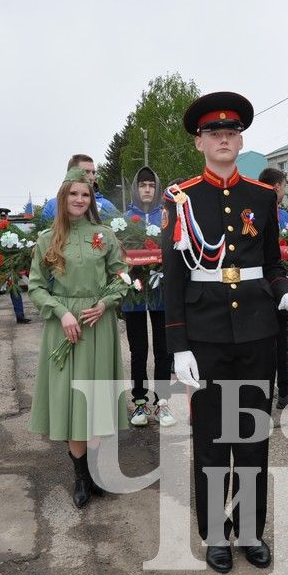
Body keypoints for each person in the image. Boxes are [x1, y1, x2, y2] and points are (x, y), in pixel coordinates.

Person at [162, 91, 288, 573]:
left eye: (231, 132)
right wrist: (177, 344)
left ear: (240, 140)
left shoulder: (261, 197)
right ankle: (216, 533)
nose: (224, 138)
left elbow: (273, 261)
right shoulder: (182, 197)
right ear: (200, 142)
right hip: (205, 338)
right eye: (214, 133)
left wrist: (283, 290)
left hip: (258, 333)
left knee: (254, 437)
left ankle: (249, 530)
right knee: (214, 442)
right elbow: (174, 276)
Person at [28, 167, 129, 508]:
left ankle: (97, 473)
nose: (79, 200)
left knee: (96, 403)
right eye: (73, 194)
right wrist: (61, 311)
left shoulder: (105, 236)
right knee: (74, 405)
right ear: (63, 198)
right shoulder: (47, 239)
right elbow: (36, 286)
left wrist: (104, 303)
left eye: (85, 195)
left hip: (98, 325)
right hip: (66, 327)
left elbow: (121, 278)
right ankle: (81, 477)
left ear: (91, 200)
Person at [123, 166, 175, 427]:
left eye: (151, 185)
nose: (146, 189)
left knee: (163, 349)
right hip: (133, 293)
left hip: (160, 293)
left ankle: (162, 403)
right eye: (142, 185)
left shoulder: (165, 216)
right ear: (135, 188)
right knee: (138, 350)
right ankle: (140, 403)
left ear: (157, 189)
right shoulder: (124, 219)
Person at [258, 167, 288, 409]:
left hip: (281, 285)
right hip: (263, 287)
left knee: (282, 341)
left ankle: (284, 391)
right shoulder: (254, 213)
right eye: (284, 187)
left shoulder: (286, 216)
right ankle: (272, 393)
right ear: (278, 186)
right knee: (270, 344)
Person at [0, 209, 30, 324]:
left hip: (10, 266)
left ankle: (20, 315)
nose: (3, 219)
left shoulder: (13, 229)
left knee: (14, 290)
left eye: (5, 217)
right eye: (1, 217)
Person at [42, 155, 121, 219]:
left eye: (93, 172)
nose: (92, 177)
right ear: (71, 173)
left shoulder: (106, 206)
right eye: (86, 172)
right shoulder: (52, 205)